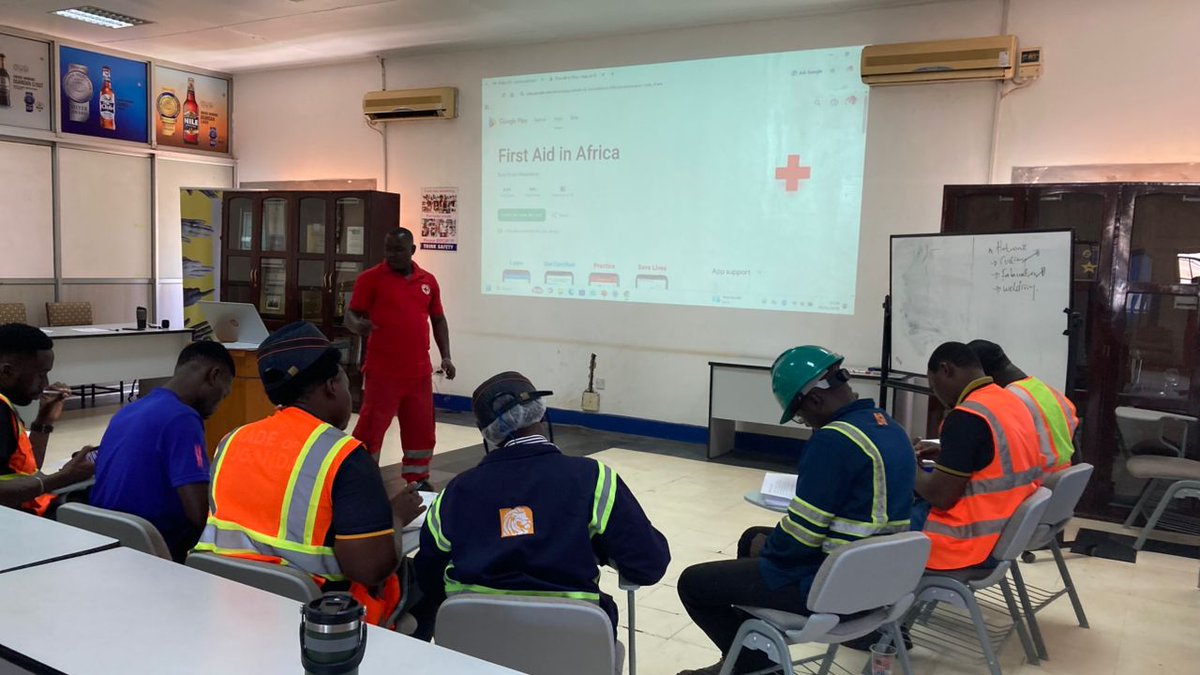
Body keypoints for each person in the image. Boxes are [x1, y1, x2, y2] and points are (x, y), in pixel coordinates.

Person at [676, 346, 917, 675]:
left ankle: (753, 665)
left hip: (834, 585)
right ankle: (754, 655)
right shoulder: (889, 427)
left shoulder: (833, 441)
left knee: (693, 584)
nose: (805, 424)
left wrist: (770, 549)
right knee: (752, 538)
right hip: (879, 580)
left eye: (801, 416)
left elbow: (800, 539)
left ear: (815, 400)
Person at [193, 322, 426, 627]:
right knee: (424, 584)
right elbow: (369, 569)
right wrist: (395, 517)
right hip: (315, 618)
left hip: (225, 604)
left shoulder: (231, 441)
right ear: (332, 385)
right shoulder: (344, 456)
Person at [413, 371, 670, 640]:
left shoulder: (455, 493)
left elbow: (428, 577)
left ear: (486, 433)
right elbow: (649, 565)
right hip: (575, 647)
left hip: (476, 650)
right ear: (540, 413)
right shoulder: (593, 479)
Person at [90, 341, 235, 561]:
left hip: (108, 541)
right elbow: (198, 515)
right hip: (154, 551)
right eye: (223, 395)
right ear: (214, 376)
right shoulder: (183, 418)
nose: (217, 407)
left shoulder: (128, 411)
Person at [916, 342, 1043, 571]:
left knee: (881, 527)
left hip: (966, 543)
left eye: (934, 385)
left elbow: (941, 497)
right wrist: (950, 456)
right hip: (1006, 533)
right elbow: (996, 460)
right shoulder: (1010, 401)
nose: (937, 394)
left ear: (945, 370)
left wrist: (907, 463)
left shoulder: (966, 416)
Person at [346, 227, 454, 488]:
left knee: (421, 429)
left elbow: (438, 319)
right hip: (382, 372)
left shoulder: (428, 281)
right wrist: (357, 325)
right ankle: (362, 478)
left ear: (412, 251)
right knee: (371, 428)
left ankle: (417, 478)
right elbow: (351, 314)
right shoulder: (370, 279)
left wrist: (447, 357)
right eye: (388, 249)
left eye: (399, 249)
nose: (392, 255)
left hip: (418, 373)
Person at [0, 323, 95, 515]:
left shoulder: (5, 407)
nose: (45, 384)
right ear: (7, 371)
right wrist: (63, 478)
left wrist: (44, 421)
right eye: (40, 375)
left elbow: (25, 470)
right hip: (25, 522)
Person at [968, 339, 1078, 473]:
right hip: (1061, 479)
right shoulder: (1051, 392)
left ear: (982, 374)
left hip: (1035, 482)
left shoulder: (1009, 400)